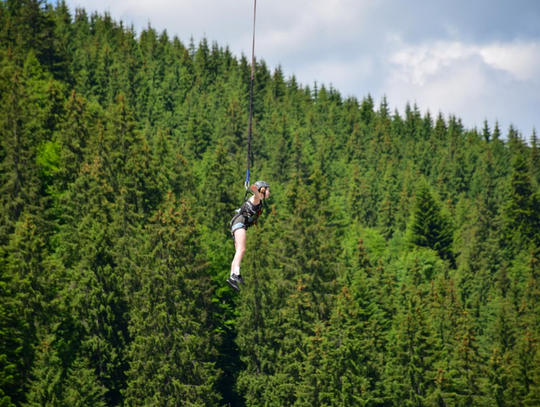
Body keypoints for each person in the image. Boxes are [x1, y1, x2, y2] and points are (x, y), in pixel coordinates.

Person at [227, 180, 270, 291]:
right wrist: (255, 191)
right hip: (240, 222)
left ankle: (232, 276)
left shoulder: (258, 201)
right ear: (263, 190)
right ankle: (236, 273)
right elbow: (256, 197)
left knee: (238, 252)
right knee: (241, 249)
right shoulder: (257, 199)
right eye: (268, 190)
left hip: (238, 223)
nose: (269, 192)